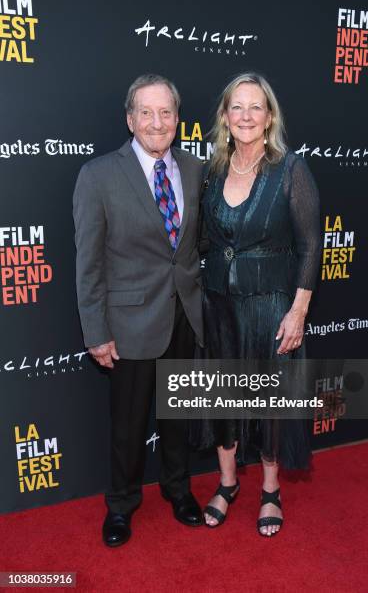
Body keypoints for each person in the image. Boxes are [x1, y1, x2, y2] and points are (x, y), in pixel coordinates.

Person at [73, 74, 204, 547]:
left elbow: (193, 245)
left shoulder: (194, 169)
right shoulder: (98, 175)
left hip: (185, 315)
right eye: (146, 112)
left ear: (177, 119)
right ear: (130, 119)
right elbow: (88, 262)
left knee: (179, 417)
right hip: (127, 323)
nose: (156, 122)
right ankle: (121, 505)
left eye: (166, 112)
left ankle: (178, 491)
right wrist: (96, 330)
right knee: (128, 427)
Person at [195, 72, 321, 537]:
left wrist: (299, 311)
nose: (246, 116)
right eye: (237, 107)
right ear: (225, 117)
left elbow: (311, 246)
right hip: (218, 306)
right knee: (223, 398)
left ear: (269, 117)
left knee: (270, 402)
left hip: (271, 306)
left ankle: (270, 490)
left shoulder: (291, 169)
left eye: (255, 107)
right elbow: (204, 240)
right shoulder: (212, 171)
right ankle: (227, 483)